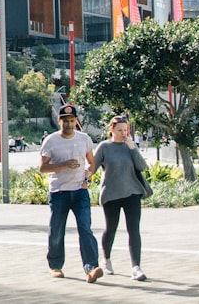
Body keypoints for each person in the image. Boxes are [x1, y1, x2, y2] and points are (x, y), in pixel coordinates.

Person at [40, 104, 102, 283]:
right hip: (59, 192)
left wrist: (88, 176)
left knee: (85, 228)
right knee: (57, 230)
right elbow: (43, 167)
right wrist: (63, 165)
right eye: (65, 121)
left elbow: (91, 163)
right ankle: (55, 265)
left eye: (72, 121)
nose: (69, 124)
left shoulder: (84, 139)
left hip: (80, 191)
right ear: (59, 121)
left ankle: (91, 267)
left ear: (76, 121)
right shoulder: (51, 141)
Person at [93, 115, 150, 281]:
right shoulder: (104, 147)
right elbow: (93, 167)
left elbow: (142, 167)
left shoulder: (129, 146)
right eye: (120, 130)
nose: (123, 133)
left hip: (132, 192)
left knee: (134, 229)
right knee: (111, 228)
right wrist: (83, 179)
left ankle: (136, 267)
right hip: (111, 194)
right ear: (111, 130)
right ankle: (107, 259)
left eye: (126, 130)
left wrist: (133, 148)